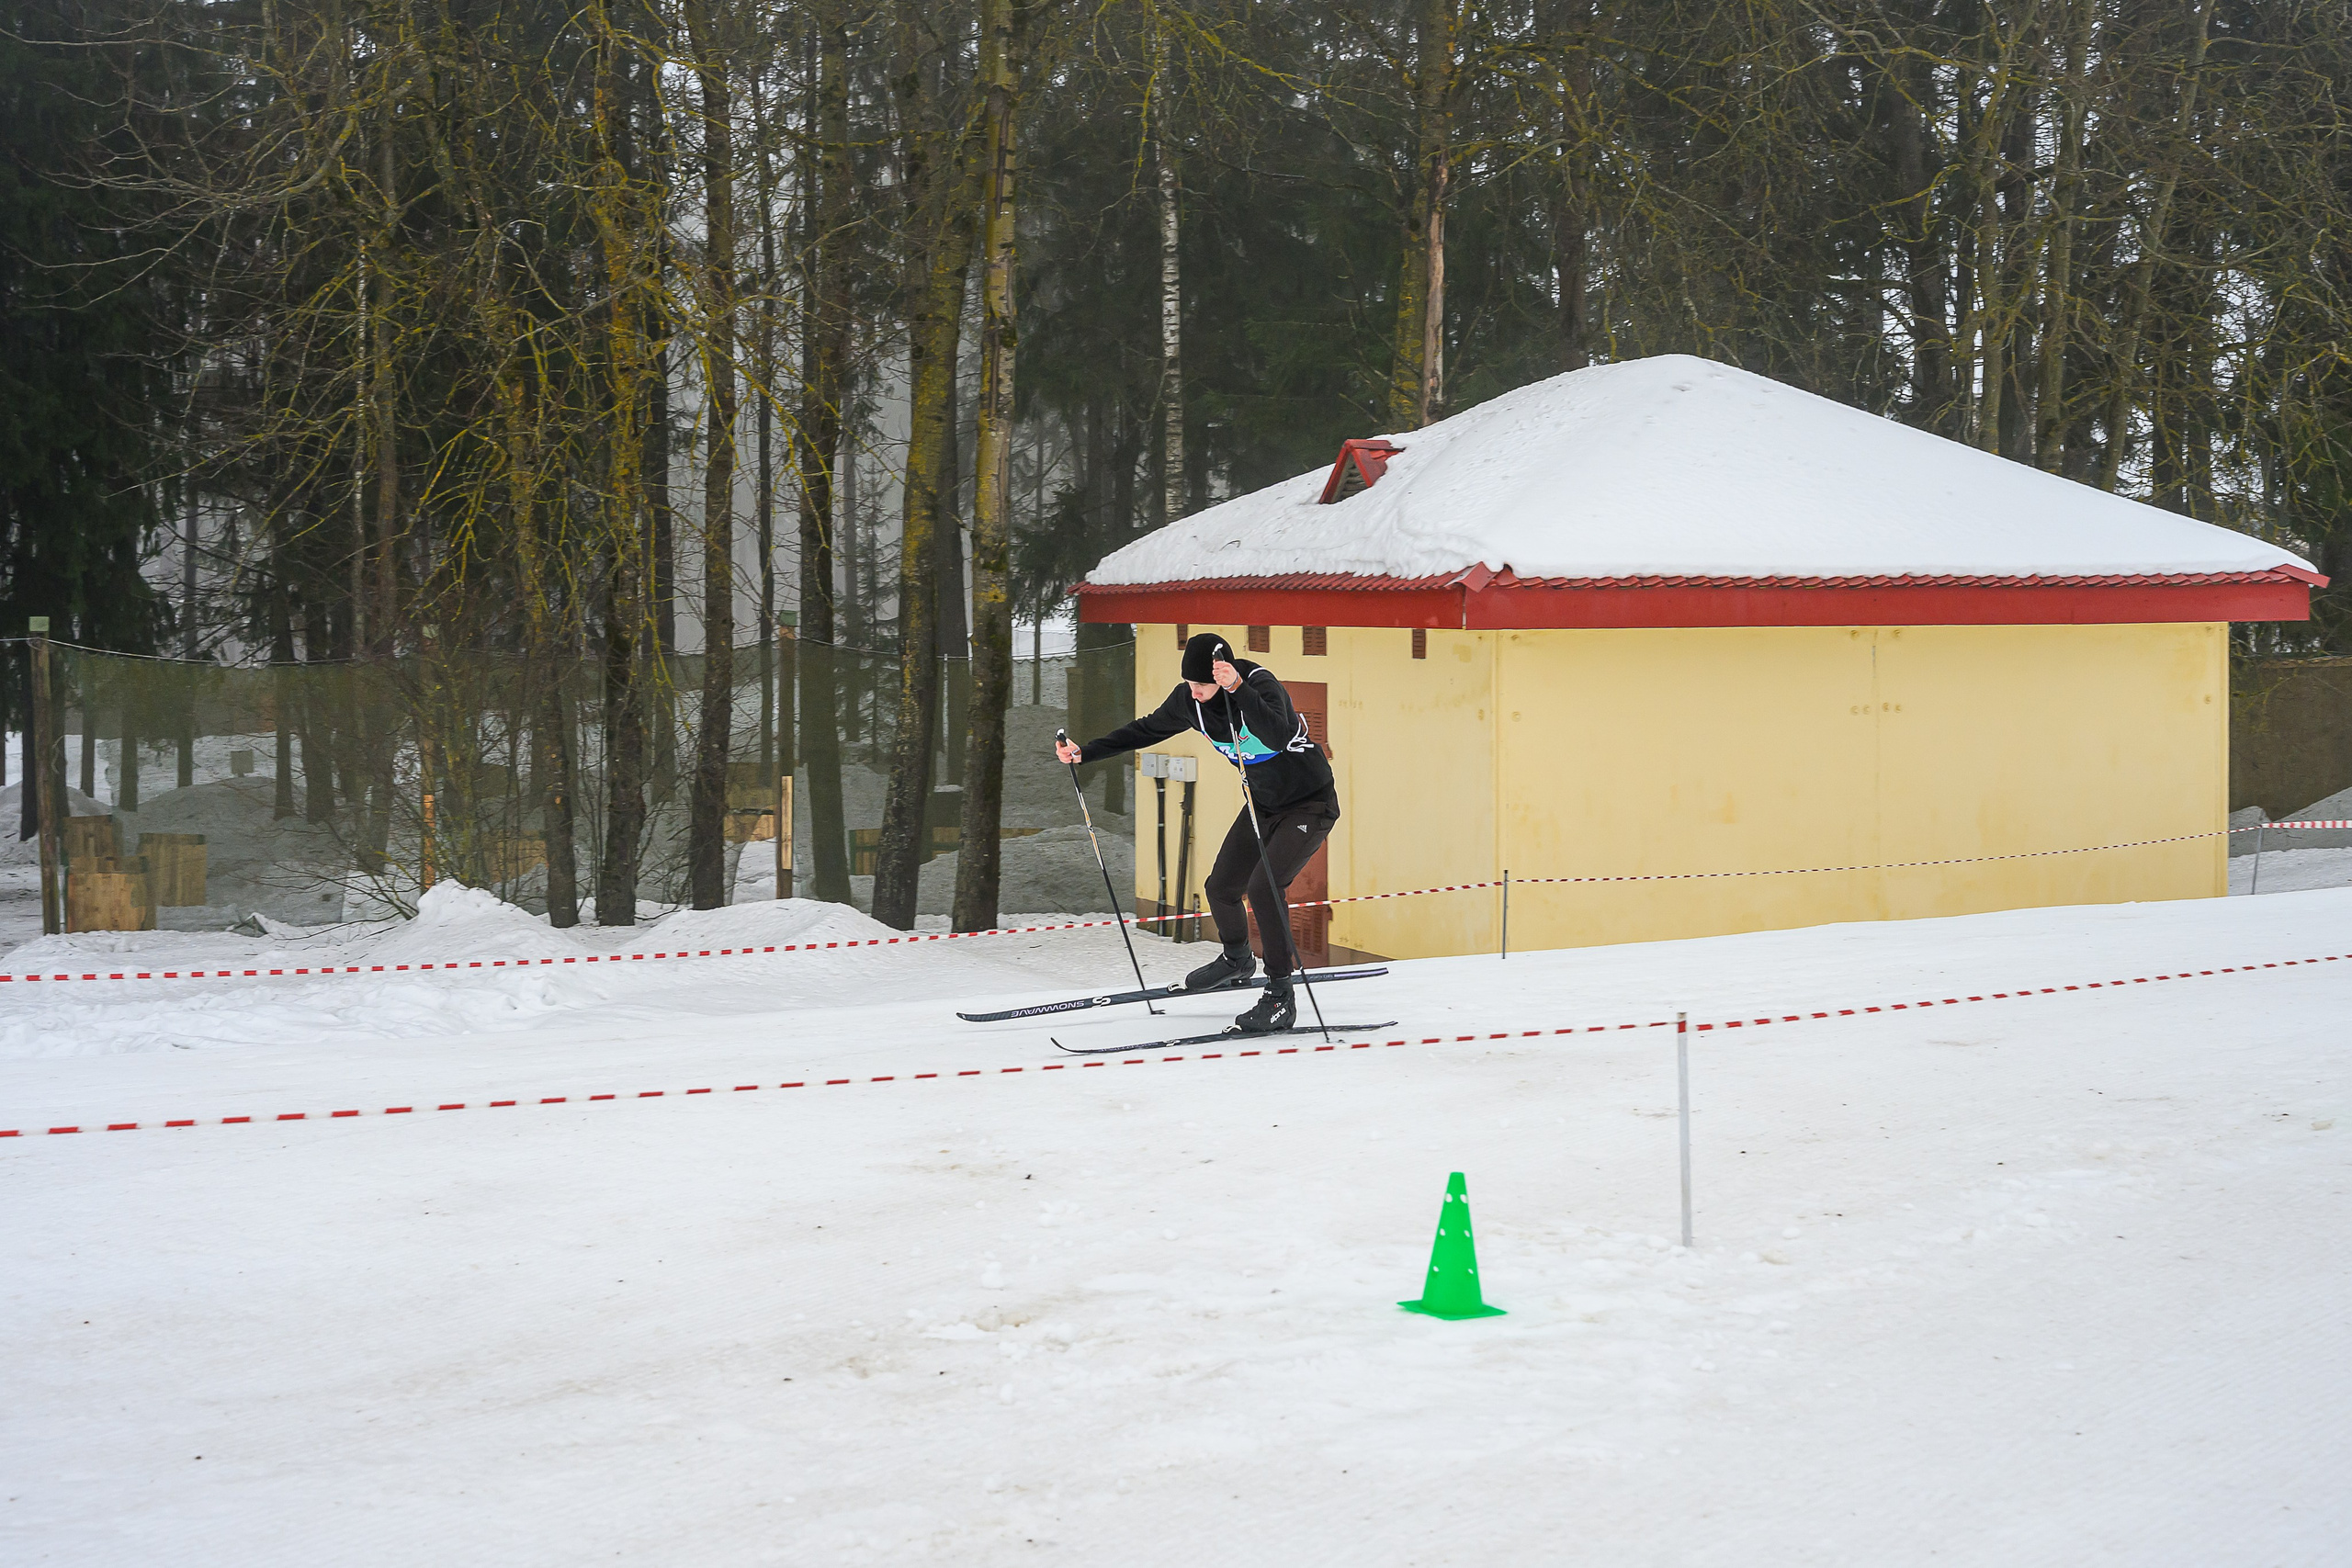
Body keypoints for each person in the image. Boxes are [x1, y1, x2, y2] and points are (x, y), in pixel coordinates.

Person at [1056, 631, 1339, 1032]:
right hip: (1263, 804)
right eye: (1189, 684)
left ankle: (1280, 997)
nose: (1194, 693)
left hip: (1310, 803)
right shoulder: (1190, 701)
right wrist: (1087, 753)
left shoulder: (1260, 685)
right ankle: (1237, 959)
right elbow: (1147, 729)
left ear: (1224, 674)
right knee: (1222, 886)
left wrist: (1237, 689)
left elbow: (1278, 734)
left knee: (1263, 887)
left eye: (1201, 685)